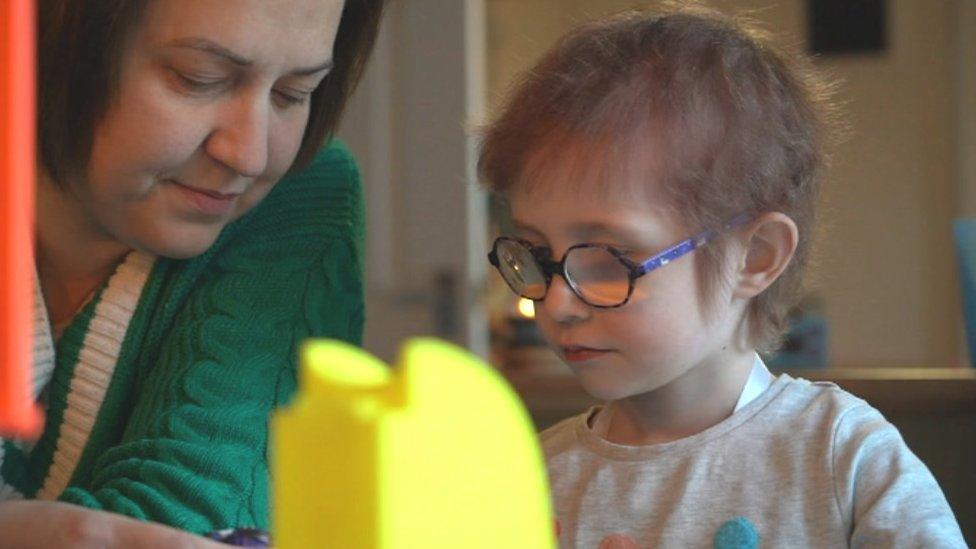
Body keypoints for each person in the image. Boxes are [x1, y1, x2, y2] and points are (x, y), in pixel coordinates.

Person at [480, 6, 966, 548]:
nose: (557, 304)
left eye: (606, 256)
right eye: (538, 252)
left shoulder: (839, 454)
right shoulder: (531, 481)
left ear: (754, 257)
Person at [0, 0, 383, 546]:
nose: (249, 155)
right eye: (198, 78)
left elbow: (204, 515)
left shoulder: (303, 191)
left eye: (294, 94)